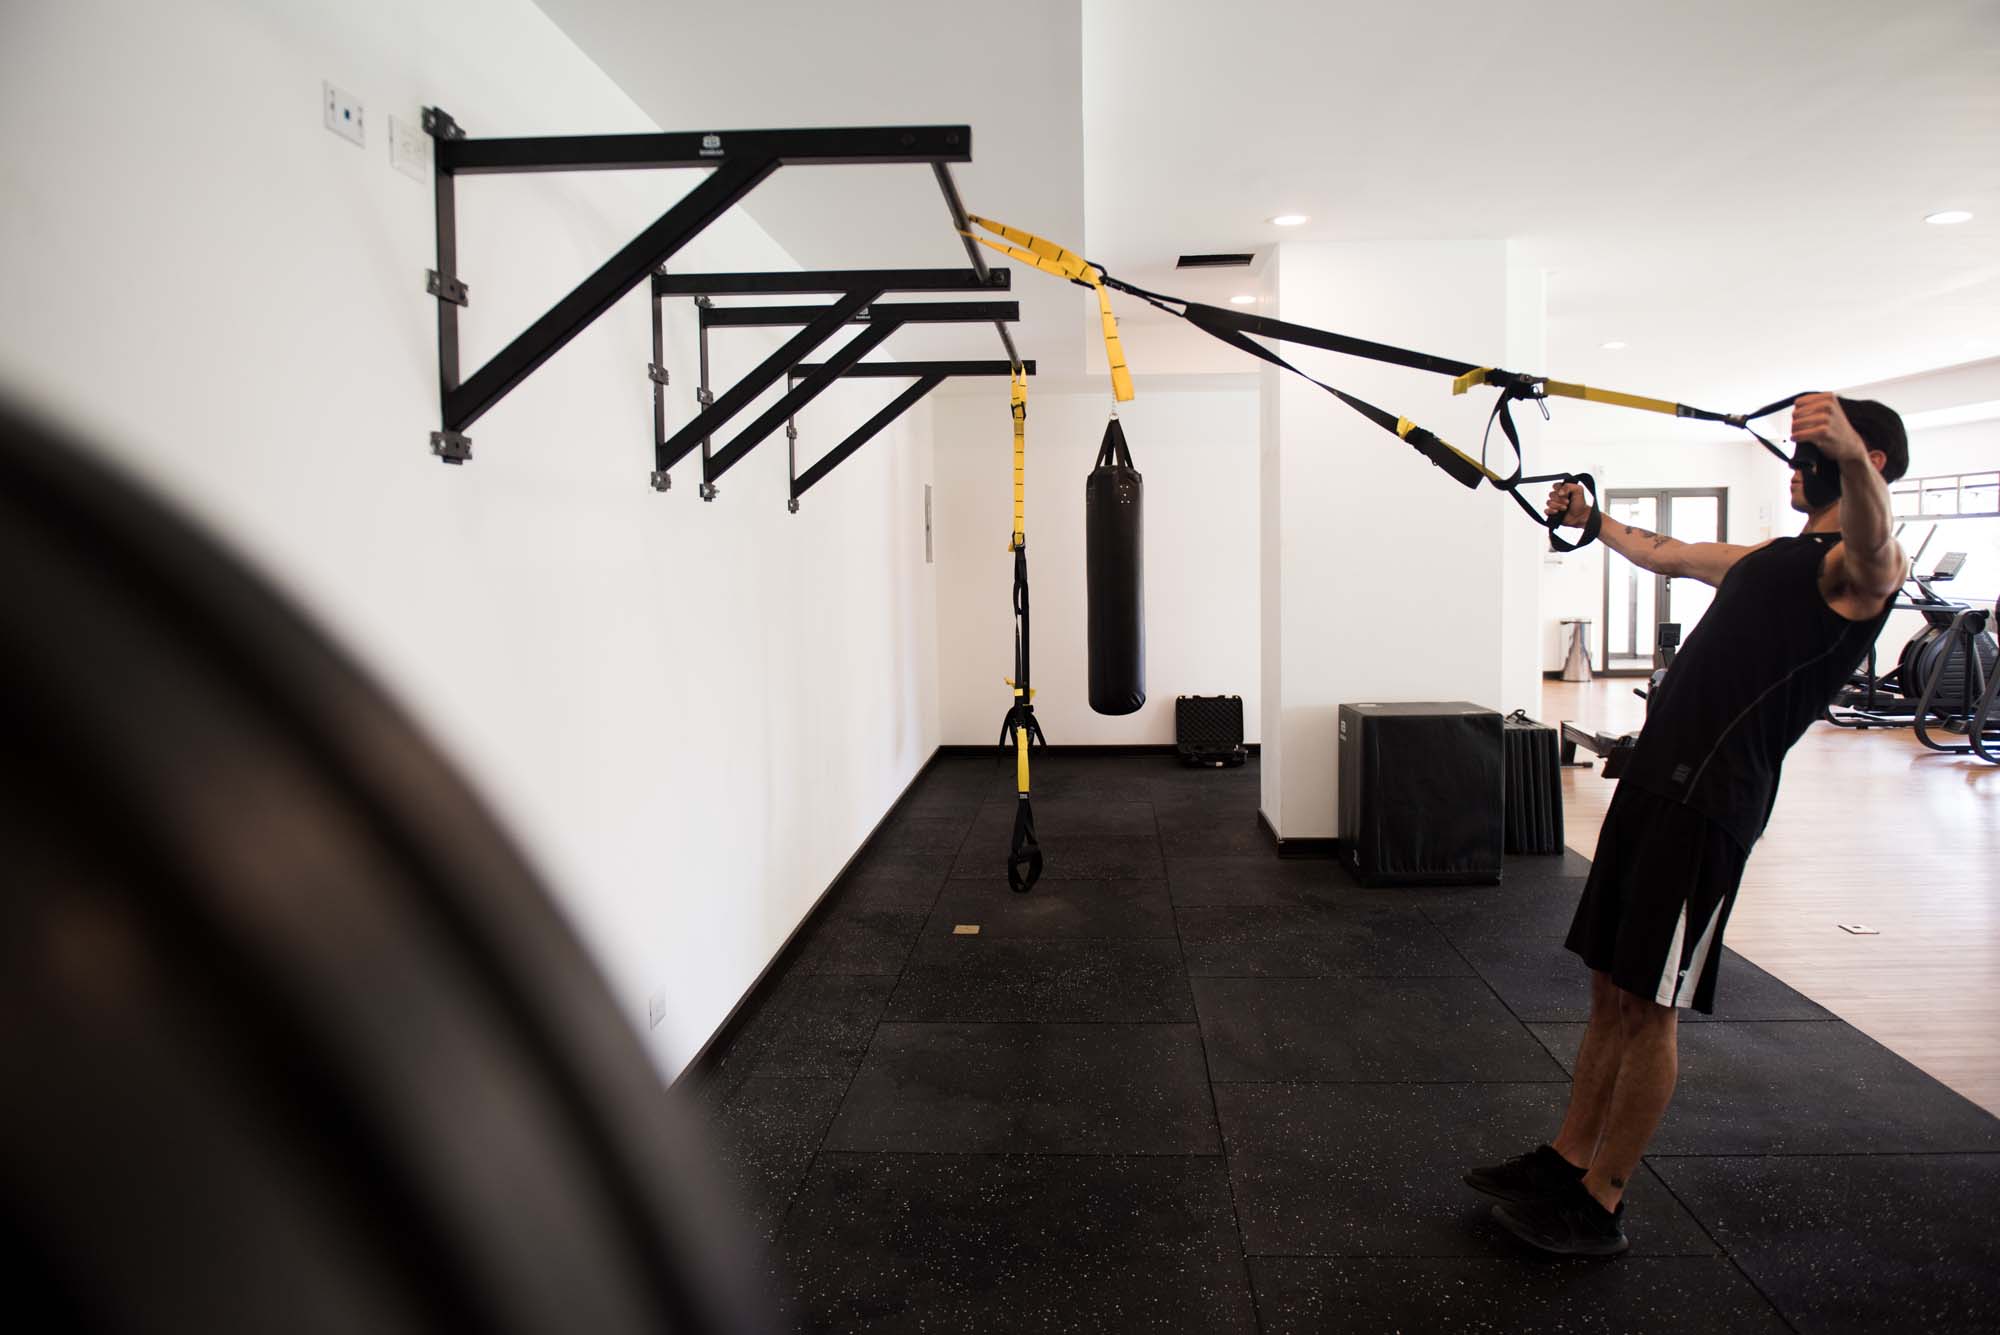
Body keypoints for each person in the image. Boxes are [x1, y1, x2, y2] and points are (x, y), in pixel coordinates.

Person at [1465, 392, 1909, 1256]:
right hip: (1653, 786)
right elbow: (1665, 553)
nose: (1798, 466)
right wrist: (1594, 522)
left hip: (1710, 805)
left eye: (1817, 456)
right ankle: (1567, 1158)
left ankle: (1602, 1199)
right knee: (1610, 985)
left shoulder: (1858, 574)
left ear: (1869, 463)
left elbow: (1876, 543)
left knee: (1651, 1003)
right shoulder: (1773, 558)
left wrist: (1852, 452)